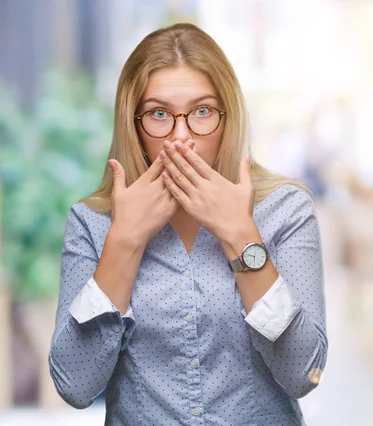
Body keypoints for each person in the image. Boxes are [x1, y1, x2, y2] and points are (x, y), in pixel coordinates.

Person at [48, 23, 327, 425]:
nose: (182, 138)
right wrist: (125, 240)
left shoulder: (286, 210)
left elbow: (305, 373)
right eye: (159, 114)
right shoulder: (92, 222)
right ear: (134, 123)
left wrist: (239, 234)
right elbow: (74, 385)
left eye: (201, 112)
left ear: (227, 116)